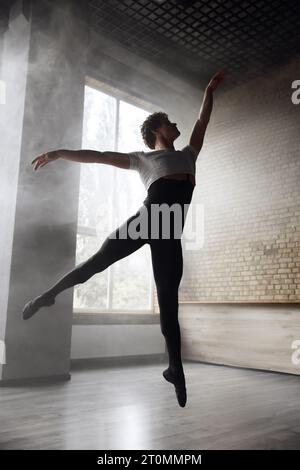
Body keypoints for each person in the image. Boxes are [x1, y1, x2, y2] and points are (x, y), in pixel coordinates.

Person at [22, 70, 225, 407]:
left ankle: (175, 369)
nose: (177, 125)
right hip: (145, 222)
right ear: (157, 130)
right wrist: (59, 153)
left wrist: (208, 90)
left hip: (169, 234)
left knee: (169, 304)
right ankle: (47, 295)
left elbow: (203, 120)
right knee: (95, 264)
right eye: (170, 122)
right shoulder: (144, 159)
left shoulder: (188, 153)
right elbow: (98, 156)